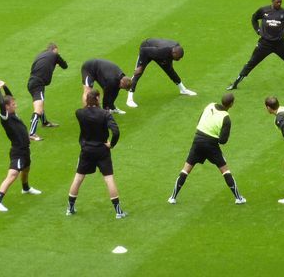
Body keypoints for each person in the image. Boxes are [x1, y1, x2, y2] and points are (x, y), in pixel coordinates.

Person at [168, 93, 246, 204]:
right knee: (225, 170)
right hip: (211, 145)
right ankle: (238, 198)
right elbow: (223, 141)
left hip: (197, 140)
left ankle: (172, 197)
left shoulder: (210, 105)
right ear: (231, 104)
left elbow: (199, 121)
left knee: (186, 169)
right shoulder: (226, 118)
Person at [66, 89, 126, 218]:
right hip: (102, 150)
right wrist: (112, 144)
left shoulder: (79, 113)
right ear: (98, 98)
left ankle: (70, 209)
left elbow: (85, 110)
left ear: (87, 99)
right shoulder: (105, 114)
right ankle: (118, 212)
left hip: (86, 150)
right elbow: (115, 131)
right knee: (109, 179)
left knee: (78, 178)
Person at [0, 81, 41, 212]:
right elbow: (1, 103)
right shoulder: (5, 117)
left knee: (26, 169)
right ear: (7, 107)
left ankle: (25, 188)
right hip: (17, 151)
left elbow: (9, 96)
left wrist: (4, 86)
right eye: (13, 104)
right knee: (13, 174)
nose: (16, 105)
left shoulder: (13, 114)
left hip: (25, 149)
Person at [126, 38, 195, 108]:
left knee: (170, 71)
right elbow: (143, 51)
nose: (179, 59)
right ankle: (129, 99)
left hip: (160, 51)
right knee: (138, 73)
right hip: (146, 49)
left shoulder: (176, 48)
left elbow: (169, 58)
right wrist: (140, 66)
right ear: (174, 53)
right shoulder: (162, 52)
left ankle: (183, 90)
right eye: (178, 57)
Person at [26, 42, 67, 141]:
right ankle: (31, 133)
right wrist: (57, 60)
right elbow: (65, 66)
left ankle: (44, 122)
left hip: (32, 82)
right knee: (38, 108)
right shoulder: (54, 55)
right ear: (54, 50)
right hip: (37, 84)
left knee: (41, 102)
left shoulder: (40, 55)